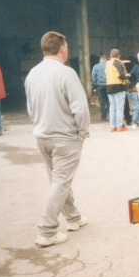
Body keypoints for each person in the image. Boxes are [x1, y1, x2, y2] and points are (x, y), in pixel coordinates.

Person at [24, 31, 90, 247]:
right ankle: (46, 230)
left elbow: (31, 109)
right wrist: (82, 132)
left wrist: (41, 125)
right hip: (65, 138)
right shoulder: (67, 73)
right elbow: (80, 108)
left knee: (58, 181)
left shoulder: (32, 74)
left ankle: (73, 217)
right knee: (61, 182)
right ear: (62, 48)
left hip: (43, 136)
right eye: (67, 46)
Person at [105, 49, 129, 132]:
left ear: (110, 55)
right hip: (118, 87)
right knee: (119, 107)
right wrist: (126, 78)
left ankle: (113, 126)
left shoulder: (107, 63)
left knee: (112, 107)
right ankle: (119, 126)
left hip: (109, 86)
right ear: (119, 56)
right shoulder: (118, 63)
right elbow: (121, 75)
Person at [91, 55, 109, 121]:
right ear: (106, 60)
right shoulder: (109, 66)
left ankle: (103, 117)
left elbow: (93, 76)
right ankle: (111, 116)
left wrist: (95, 84)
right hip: (108, 85)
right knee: (109, 101)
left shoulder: (96, 66)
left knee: (102, 101)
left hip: (100, 85)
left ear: (100, 60)